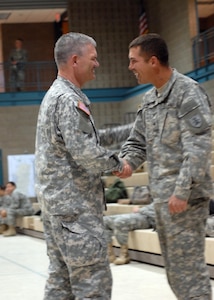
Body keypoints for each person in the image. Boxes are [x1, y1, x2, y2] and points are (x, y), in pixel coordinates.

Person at [114, 33, 213, 299]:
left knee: (189, 272)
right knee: (175, 272)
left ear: (153, 61)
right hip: (162, 201)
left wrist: (182, 191)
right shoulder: (149, 100)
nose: (130, 67)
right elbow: (137, 143)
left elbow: (199, 148)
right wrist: (125, 164)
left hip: (185, 202)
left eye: (134, 61)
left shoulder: (188, 92)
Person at [34, 32, 131, 300]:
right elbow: (85, 152)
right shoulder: (68, 100)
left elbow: (87, 139)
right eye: (93, 58)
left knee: (60, 284)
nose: (97, 64)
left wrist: (135, 129)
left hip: (59, 211)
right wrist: (118, 164)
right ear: (75, 60)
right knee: (92, 286)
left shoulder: (55, 96)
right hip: (77, 214)